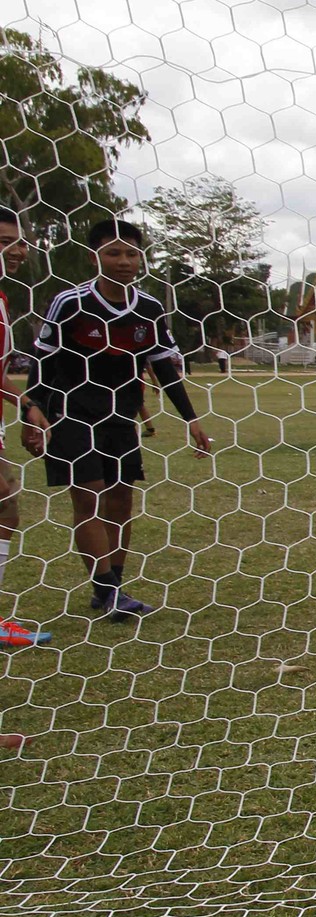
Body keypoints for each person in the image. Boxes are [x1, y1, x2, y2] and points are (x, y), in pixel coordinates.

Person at [27, 219, 212, 621]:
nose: (124, 261)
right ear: (94, 257)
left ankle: (113, 586)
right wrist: (32, 406)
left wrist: (191, 419)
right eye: (113, 253)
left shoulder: (149, 308)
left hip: (120, 417)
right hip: (70, 414)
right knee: (89, 498)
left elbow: (163, 367)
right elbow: (44, 358)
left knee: (121, 500)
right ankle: (108, 591)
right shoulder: (70, 302)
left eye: (132, 253)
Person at [0, 207, 51, 652]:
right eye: (5, 242)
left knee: (6, 506)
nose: (17, 250)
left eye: (19, 242)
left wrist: (26, 404)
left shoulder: (1, 300)